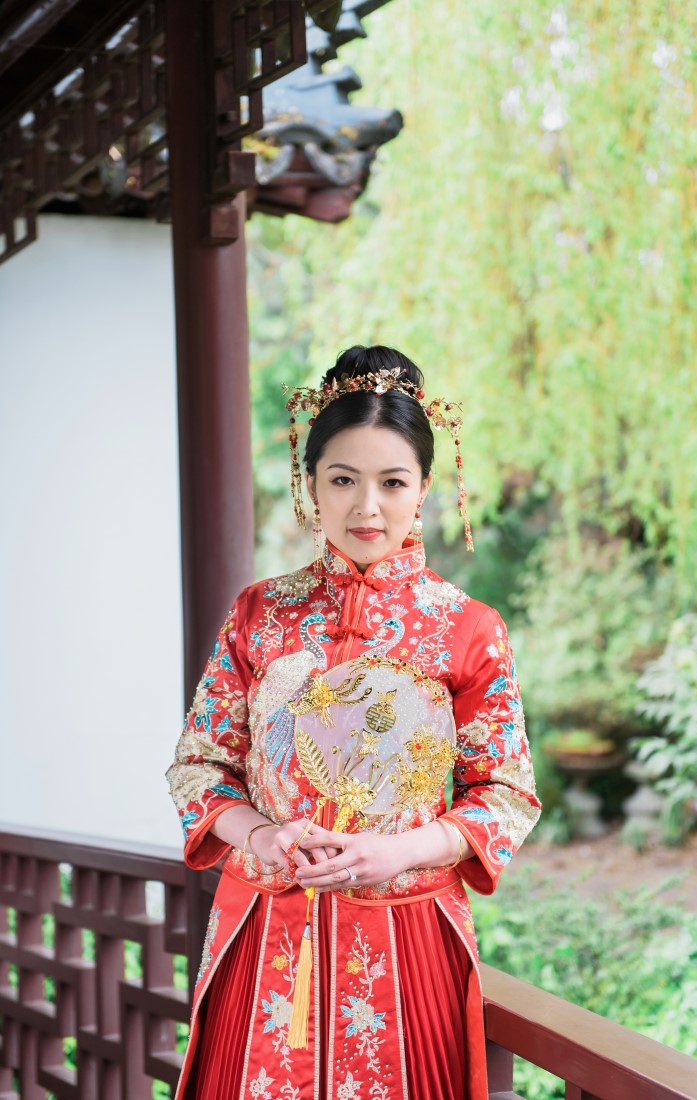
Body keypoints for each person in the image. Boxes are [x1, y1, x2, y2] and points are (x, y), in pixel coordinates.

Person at [166, 345, 541, 1100]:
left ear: (425, 490)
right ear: (310, 486)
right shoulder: (259, 614)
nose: (367, 507)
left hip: (409, 943)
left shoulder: (468, 628)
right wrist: (260, 834)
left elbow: (504, 794)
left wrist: (396, 851)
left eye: (392, 482)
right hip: (266, 937)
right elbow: (200, 767)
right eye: (342, 480)